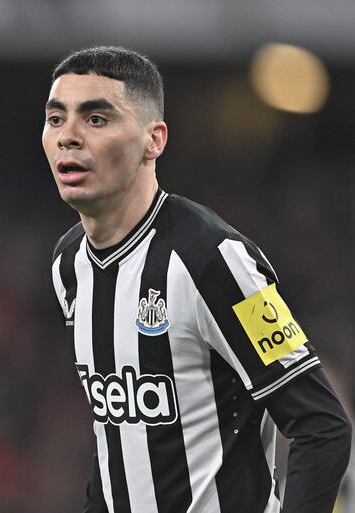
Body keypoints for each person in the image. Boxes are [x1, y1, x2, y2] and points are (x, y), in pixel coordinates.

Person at [44, 46, 351, 513]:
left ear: (154, 140)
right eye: (56, 118)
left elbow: (322, 425)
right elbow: (118, 443)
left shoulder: (213, 259)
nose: (68, 137)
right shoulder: (69, 264)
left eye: (96, 119)